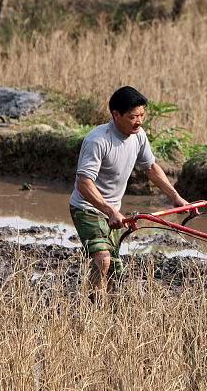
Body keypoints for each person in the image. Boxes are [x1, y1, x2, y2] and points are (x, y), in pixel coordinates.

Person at [69, 85, 192, 296]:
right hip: (88, 207)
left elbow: (151, 168)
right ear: (116, 115)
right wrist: (109, 210)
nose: (139, 121)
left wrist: (175, 197)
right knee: (103, 259)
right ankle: (93, 310)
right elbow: (84, 183)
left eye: (142, 115)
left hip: (112, 210)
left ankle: (95, 303)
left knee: (112, 267)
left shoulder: (139, 136)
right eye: (134, 116)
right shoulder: (98, 140)